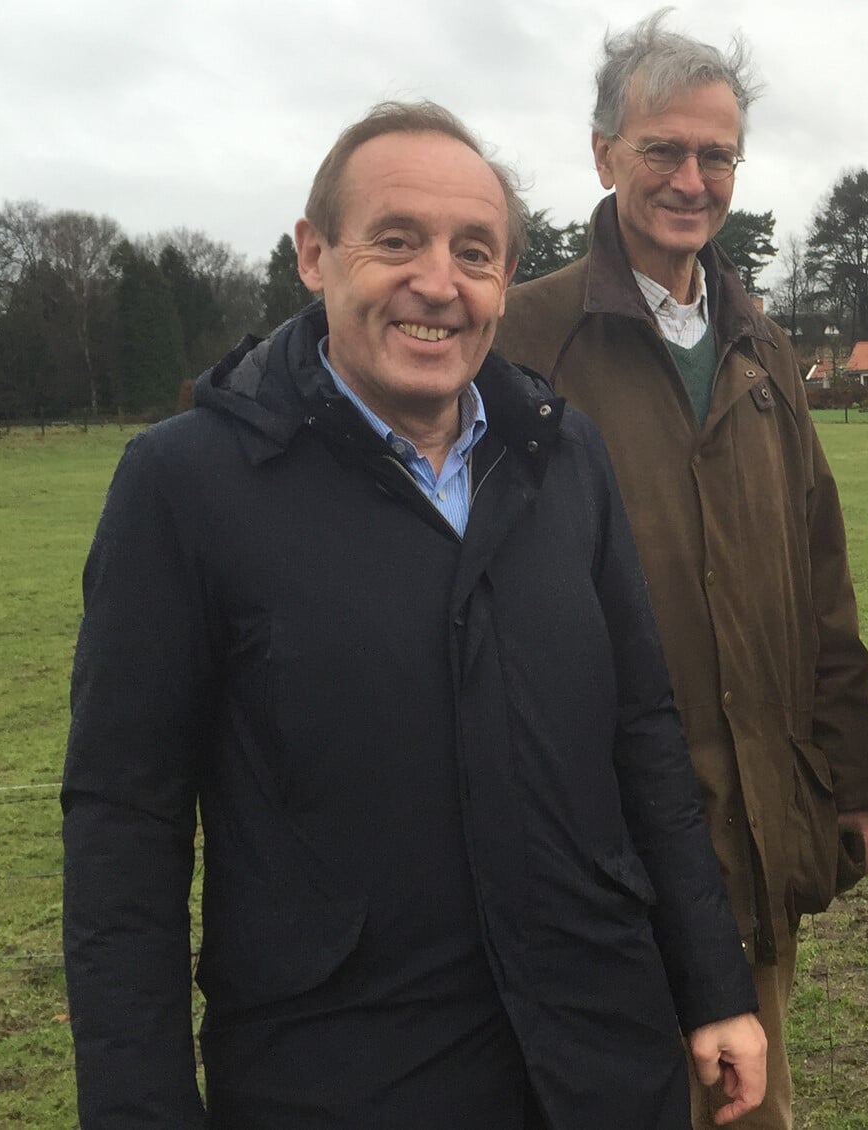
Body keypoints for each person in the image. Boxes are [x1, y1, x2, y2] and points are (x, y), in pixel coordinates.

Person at [61, 101, 766, 1130]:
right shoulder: (187, 484)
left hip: (599, 1056)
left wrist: (713, 983)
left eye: (474, 252)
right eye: (397, 240)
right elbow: (126, 823)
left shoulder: (562, 455)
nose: (437, 282)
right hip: (344, 1075)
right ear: (314, 254)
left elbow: (642, 731)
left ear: (503, 279)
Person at [495, 13, 868, 1127]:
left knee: (749, 1102)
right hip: (591, 840)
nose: (690, 177)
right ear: (602, 153)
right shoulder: (524, 343)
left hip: (759, 826)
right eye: (662, 148)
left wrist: (851, 775)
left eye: (716, 154)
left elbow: (821, 576)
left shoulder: (763, 346)